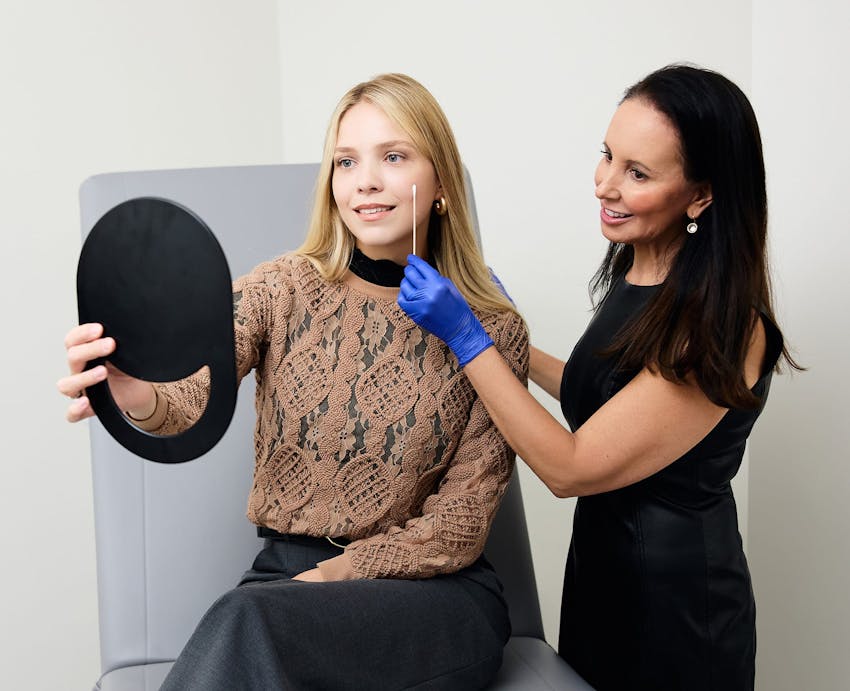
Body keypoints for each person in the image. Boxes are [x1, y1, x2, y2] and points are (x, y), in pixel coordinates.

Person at [58, 73, 528, 690]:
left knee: (249, 623)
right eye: (345, 161)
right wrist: (131, 392)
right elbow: (192, 399)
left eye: (393, 156)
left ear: (441, 182)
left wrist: (342, 572)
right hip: (287, 578)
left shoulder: (494, 330)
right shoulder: (282, 288)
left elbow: (461, 523)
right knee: (252, 624)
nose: (365, 180)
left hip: (433, 595)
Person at [398, 64, 801, 691]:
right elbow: (604, 395)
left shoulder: (721, 324)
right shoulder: (637, 269)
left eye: (637, 174)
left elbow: (572, 467)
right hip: (600, 580)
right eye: (607, 156)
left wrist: (465, 337)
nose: (604, 185)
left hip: (676, 615)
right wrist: (505, 341)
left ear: (701, 195)